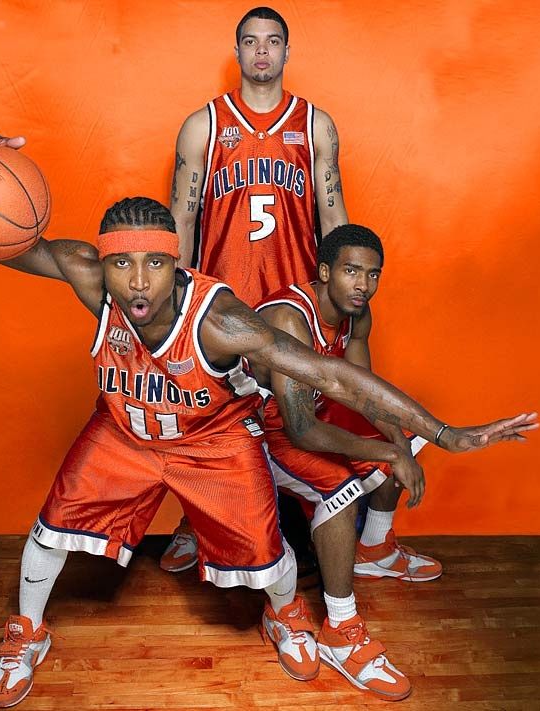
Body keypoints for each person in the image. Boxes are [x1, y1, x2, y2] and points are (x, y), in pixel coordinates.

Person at [0, 186, 536, 705]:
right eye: (122, 264)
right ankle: (27, 631)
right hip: (124, 432)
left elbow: (333, 376)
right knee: (50, 529)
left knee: (267, 555)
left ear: (176, 263)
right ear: (102, 263)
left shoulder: (220, 320)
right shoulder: (86, 275)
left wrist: (443, 432)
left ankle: (286, 614)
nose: (138, 281)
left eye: (154, 263)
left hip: (213, 440)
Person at [165, 5, 350, 569]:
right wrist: (175, 302)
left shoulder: (315, 125)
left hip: (293, 299)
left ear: (287, 51)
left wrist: (342, 293)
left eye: (272, 41)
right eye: (251, 41)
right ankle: (194, 523)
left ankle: (302, 523)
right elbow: (182, 219)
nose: (262, 51)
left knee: (294, 419)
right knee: (207, 416)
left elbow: (333, 214)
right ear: (238, 51)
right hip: (223, 297)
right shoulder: (204, 125)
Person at [252, 223, 438, 698]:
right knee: (339, 489)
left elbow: (363, 393)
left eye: (373, 274)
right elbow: (299, 430)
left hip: (305, 416)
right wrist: (388, 451)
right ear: (324, 271)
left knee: (403, 436)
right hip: (251, 432)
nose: (363, 285)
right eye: (352, 271)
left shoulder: (357, 314)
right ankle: (340, 630)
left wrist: (398, 444)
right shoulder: (290, 318)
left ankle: (374, 550)